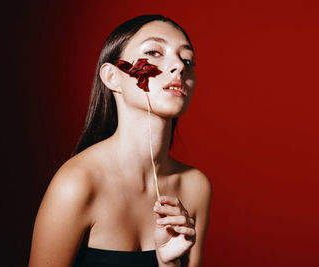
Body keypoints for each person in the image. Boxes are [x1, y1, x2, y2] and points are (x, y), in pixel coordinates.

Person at [28, 14, 212, 267]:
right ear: (112, 77)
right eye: (154, 52)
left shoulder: (194, 186)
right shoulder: (78, 184)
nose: (179, 66)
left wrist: (168, 264)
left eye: (187, 59)